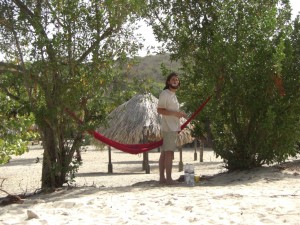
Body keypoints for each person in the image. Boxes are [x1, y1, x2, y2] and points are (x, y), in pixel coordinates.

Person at [157, 72, 187, 185]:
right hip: (168, 127)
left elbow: (172, 111)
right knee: (169, 153)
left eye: (177, 79)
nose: (175, 81)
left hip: (173, 127)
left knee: (165, 153)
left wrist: (179, 114)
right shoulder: (165, 93)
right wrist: (175, 114)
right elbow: (160, 110)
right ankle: (168, 179)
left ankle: (162, 178)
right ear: (168, 82)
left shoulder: (173, 95)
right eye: (173, 79)